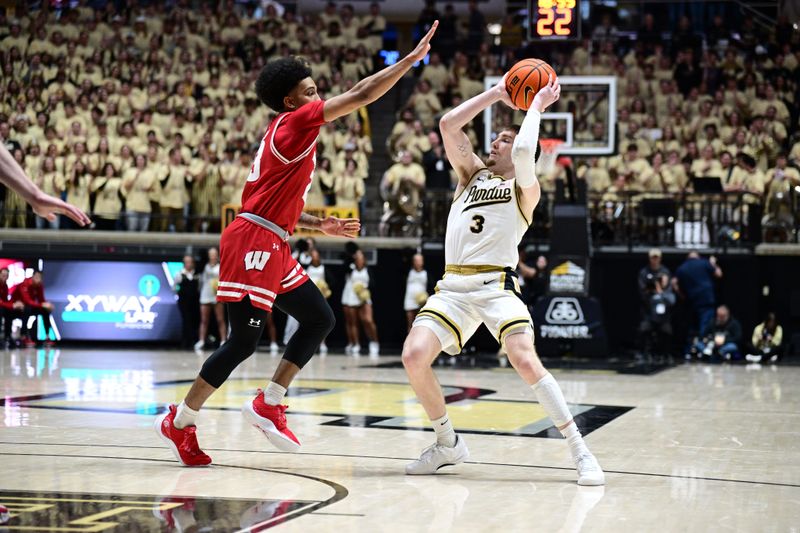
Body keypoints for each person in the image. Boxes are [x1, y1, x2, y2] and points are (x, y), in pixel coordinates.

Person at [155, 23, 439, 466]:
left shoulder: (284, 131)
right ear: (291, 101)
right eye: (310, 91)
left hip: (270, 234)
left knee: (319, 318)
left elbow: (266, 202)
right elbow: (363, 94)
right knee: (242, 343)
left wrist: (317, 223)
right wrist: (408, 61)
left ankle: (270, 400)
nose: (318, 97)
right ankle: (181, 421)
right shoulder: (296, 120)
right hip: (254, 239)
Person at [400, 75, 604, 485]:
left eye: (503, 139)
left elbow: (528, 149)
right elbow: (447, 125)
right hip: (453, 288)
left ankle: (580, 450)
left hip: (496, 285)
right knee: (412, 356)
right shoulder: (470, 175)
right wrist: (495, 94)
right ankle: (447, 444)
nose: (494, 143)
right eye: (493, 138)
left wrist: (536, 107)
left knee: (524, 359)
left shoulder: (525, 189)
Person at [0, 144, 90, 227]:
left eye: (50, 163)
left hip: (49, 205)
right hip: (37, 202)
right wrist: (35, 195)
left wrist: (35, 196)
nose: (48, 165)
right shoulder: (41, 175)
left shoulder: (57, 174)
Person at [674, 251, 723, 355]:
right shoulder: (704, 263)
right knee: (705, 327)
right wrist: (713, 263)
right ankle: (702, 350)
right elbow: (719, 274)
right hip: (706, 300)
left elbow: (674, 283)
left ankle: (689, 350)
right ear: (698, 256)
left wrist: (681, 295)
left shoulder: (682, 268)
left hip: (691, 301)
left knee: (691, 328)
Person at [341, 249, 380, 356]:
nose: (359, 259)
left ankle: (374, 342)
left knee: (367, 320)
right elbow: (344, 263)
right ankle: (356, 344)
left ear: (364, 260)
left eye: (360, 257)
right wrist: (351, 256)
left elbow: (373, 284)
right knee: (353, 322)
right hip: (352, 297)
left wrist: (364, 288)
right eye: (357, 257)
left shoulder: (368, 270)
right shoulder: (351, 269)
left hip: (364, 297)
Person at [196, 247, 227, 352]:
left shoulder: (221, 266)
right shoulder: (204, 266)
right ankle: (201, 341)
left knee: (220, 319)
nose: (213, 256)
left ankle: (223, 340)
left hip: (217, 294)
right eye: (211, 254)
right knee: (204, 320)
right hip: (205, 294)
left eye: (214, 254)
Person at [16, 270, 55, 347]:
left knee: (45, 310)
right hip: (18, 307)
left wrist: (47, 305)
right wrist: (42, 305)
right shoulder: (24, 284)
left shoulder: (39, 286)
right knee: (27, 309)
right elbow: (27, 301)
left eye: (40, 278)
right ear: (32, 276)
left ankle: (47, 336)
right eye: (36, 277)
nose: (38, 279)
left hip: (30, 307)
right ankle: (23, 336)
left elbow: (41, 300)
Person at [174, 255, 200, 350]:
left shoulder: (196, 274)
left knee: (194, 320)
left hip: (194, 300)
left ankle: (194, 340)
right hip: (183, 301)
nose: (188, 264)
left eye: (190, 262)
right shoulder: (179, 274)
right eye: (186, 262)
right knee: (186, 319)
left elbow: (199, 287)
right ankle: (185, 341)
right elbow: (174, 287)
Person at [0, 267, 24, 349]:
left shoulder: (5, 286)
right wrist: (13, 305)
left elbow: (5, 301)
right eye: (3, 275)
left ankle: (8, 336)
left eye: (6, 275)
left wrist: (15, 304)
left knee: (9, 312)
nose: (4, 277)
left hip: (2, 307)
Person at [404, 253, 428, 332]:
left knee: (420, 323)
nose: (418, 262)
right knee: (410, 323)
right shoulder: (408, 271)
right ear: (413, 262)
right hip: (409, 300)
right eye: (416, 260)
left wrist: (426, 297)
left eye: (420, 260)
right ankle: (409, 343)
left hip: (421, 302)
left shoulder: (426, 273)